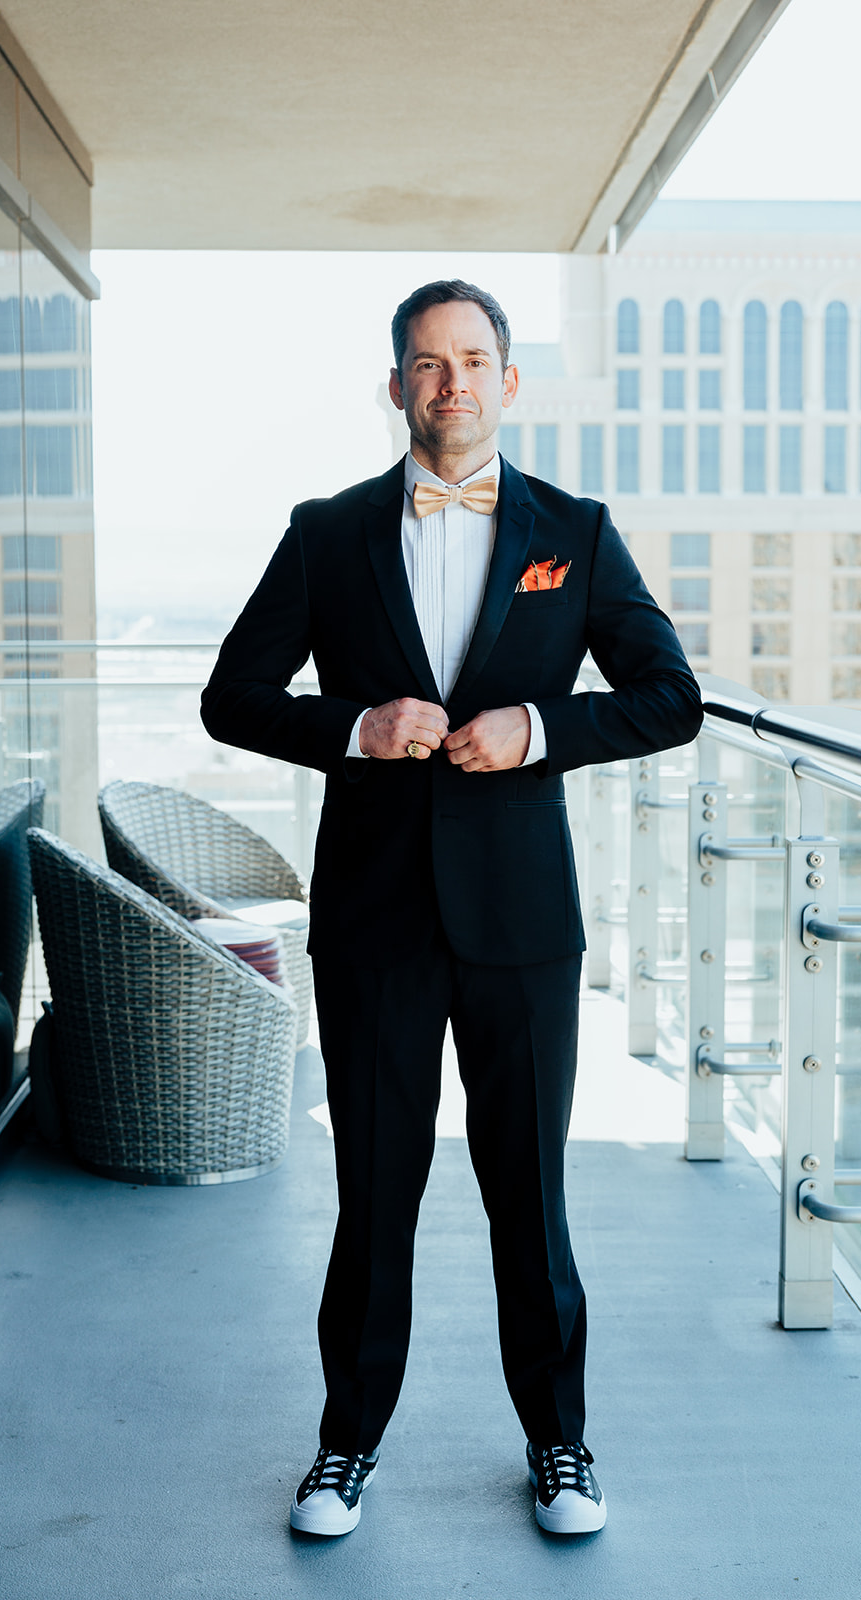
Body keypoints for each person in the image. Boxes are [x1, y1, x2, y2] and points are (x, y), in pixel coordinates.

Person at [200, 279, 702, 1539]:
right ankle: (342, 1447)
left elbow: (666, 695)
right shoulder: (325, 533)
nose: (452, 383)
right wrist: (356, 730)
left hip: (522, 926)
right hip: (373, 920)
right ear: (396, 387)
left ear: (509, 381)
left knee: (526, 1198)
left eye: (473, 359)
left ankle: (561, 1446)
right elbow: (233, 697)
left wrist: (538, 728)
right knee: (374, 1195)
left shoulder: (572, 532)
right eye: (426, 364)